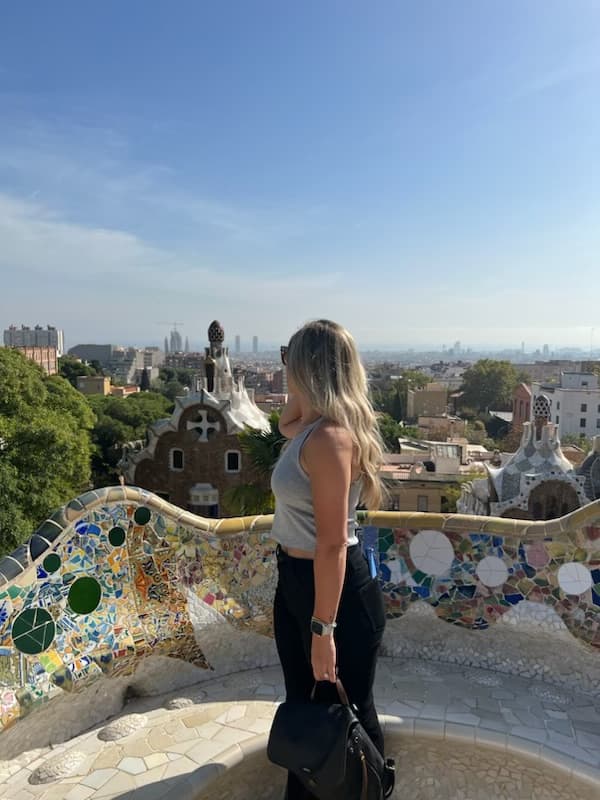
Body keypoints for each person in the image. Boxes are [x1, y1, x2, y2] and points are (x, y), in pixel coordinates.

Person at [270, 319, 391, 799]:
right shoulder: (310, 428)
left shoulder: (330, 440)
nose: (284, 370)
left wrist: (324, 630)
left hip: (333, 593)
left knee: (350, 712)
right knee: (305, 709)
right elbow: (284, 421)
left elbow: (333, 543)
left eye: (289, 359)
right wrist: (305, 388)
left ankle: (371, 792)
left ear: (307, 367)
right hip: (298, 581)